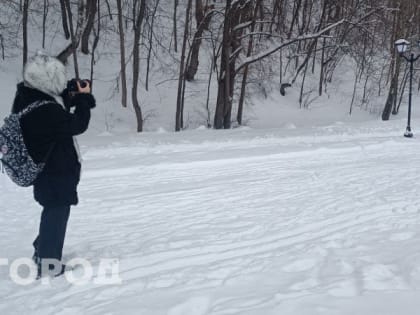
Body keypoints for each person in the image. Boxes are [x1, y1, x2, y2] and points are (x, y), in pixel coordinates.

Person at [11, 52, 96, 277]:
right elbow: (76, 124)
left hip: (46, 168)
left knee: (53, 211)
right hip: (54, 171)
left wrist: (70, 93)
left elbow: (54, 110)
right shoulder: (45, 109)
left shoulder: (26, 95)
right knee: (57, 212)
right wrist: (84, 100)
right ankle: (48, 265)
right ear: (47, 80)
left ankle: (42, 251)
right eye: (56, 77)